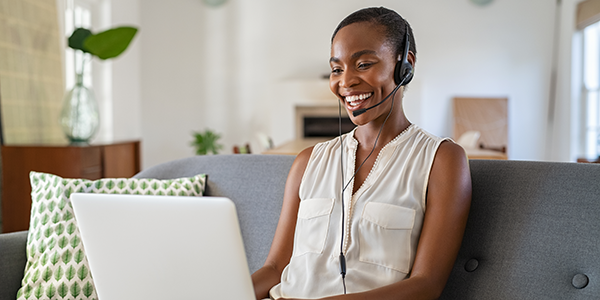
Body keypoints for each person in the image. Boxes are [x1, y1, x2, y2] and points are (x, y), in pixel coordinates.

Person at [251, 7, 471, 300]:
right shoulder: (307, 162)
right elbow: (275, 268)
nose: (346, 82)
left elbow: (426, 284)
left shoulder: (442, 160)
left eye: (364, 64)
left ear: (405, 64)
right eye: (337, 69)